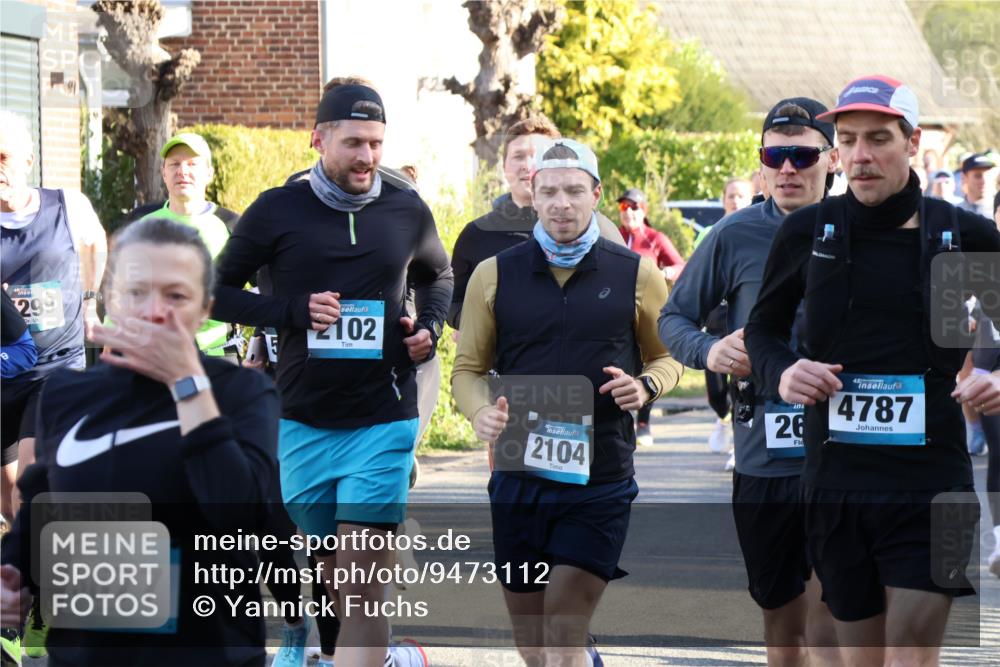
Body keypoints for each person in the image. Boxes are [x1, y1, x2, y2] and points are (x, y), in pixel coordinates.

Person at [745, 75, 1000, 664]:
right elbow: (763, 330)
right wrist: (782, 371)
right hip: (836, 482)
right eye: (848, 139)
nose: (860, 155)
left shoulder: (963, 235)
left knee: (909, 653)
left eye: (878, 139)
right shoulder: (807, 232)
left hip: (936, 484)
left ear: (912, 143)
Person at [213, 81, 451, 667]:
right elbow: (214, 292)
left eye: (376, 143)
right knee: (336, 580)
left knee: (361, 587)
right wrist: (293, 311)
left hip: (383, 419)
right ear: (318, 140)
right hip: (303, 421)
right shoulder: (277, 209)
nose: (367, 157)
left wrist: (430, 328)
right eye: (354, 144)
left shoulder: (406, 208)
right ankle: (393, 657)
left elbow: (438, 276)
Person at [0, 216, 280, 666]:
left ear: (204, 309)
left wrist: (187, 385)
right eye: (137, 291)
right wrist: (14, 575)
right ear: (111, 299)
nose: (155, 310)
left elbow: (244, 519)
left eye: (176, 295)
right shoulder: (67, 394)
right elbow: (41, 506)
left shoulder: (243, 392)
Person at [452, 138, 682, 667]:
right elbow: (467, 370)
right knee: (533, 643)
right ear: (532, 194)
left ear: (595, 195)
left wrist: (646, 386)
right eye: (550, 191)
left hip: (600, 479)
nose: (561, 203)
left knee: (562, 629)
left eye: (574, 191)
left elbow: (668, 356)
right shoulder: (494, 273)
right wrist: (479, 411)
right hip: (519, 477)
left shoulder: (636, 273)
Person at [660, 97, 841, 666]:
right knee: (781, 617)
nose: (787, 168)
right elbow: (674, 318)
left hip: (847, 450)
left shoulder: (860, 227)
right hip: (764, 450)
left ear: (831, 159)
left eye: (801, 156)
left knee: (833, 615)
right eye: (773, 155)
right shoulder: (733, 234)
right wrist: (711, 350)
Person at [1, 110, 107, 528]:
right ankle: (28, 556)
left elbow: (94, 242)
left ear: (28, 160)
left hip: (55, 366)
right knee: (9, 499)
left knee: (33, 480)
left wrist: (89, 301)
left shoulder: (67, 205)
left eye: (4, 157)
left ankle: (45, 564)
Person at [448, 115, 624, 332]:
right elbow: (454, 300)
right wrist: (475, 324)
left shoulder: (599, 230)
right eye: (518, 156)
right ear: (504, 166)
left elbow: (626, 299)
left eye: (538, 155)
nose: (527, 165)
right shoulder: (477, 234)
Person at [616, 186, 685, 446]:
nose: (628, 212)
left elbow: (681, 265)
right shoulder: (614, 235)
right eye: (623, 207)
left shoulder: (654, 238)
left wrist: (664, 273)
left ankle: (643, 423)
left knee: (647, 363)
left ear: (643, 210)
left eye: (634, 207)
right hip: (618, 307)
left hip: (647, 308)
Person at [956, 152, 996, 218]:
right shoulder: (955, 214)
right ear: (964, 178)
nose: (984, 181)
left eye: (988, 175)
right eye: (978, 176)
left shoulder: (997, 210)